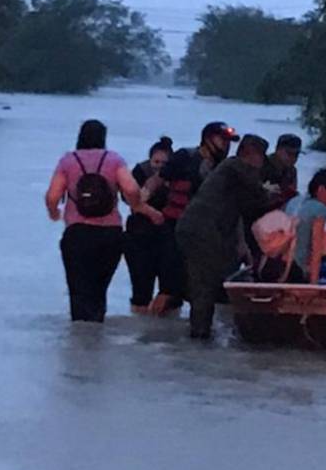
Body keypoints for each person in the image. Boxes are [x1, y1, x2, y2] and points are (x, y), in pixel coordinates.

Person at [177, 134, 274, 339]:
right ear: (253, 155)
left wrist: (241, 242)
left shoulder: (230, 171)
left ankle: (202, 330)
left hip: (203, 229)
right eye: (261, 156)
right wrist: (271, 192)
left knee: (207, 281)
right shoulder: (235, 167)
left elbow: (241, 207)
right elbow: (259, 196)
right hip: (201, 230)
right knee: (204, 282)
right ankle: (200, 334)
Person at [45, 119, 142, 322]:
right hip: (110, 235)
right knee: (99, 291)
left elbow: (52, 196)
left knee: (78, 292)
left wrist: (54, 213)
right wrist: (136, 206)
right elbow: (132, 189)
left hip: (77, 234)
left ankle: (79, 336)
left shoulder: (68, 161)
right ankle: (97, 332)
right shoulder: (114, 160)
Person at [151, 121, 239, 314]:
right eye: (222, 140)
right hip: (174, 229)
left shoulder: (224, 168)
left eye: (228, 142)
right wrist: (141, 204)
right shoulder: (185, 157)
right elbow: (157, 180)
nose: (226, 145)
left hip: (203, 236)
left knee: (198, 288)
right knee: (168, 288)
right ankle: (151, 326)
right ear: (208, 139)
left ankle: (189, 328)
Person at [123, 136, 173, 314]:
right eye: (156, 162)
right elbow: (128, 198)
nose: (159, 167)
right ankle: (140, 323)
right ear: (150, 160)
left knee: (171, 292)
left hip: (168, 237)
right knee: (141, 291)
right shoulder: (140, 171)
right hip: (139, 236)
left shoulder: (177, 174)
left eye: (164, 163)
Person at [291, 164, 326, 284]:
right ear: (321, 190)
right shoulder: (319, 209)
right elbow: (316, 250)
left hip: (280, 265)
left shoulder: (296, 201)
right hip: (297, 269)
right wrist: (313, 285)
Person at [260, 133, 303, 210]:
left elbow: (292, 192)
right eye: (289, 154)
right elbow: (254, 186)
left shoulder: (292, 171)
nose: (293, 158)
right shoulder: (262, 164)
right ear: (278, 150)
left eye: (296, 155)